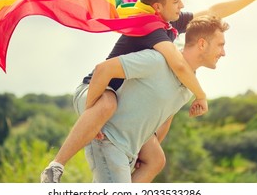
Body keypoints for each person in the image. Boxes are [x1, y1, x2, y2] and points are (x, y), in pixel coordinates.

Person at [41, 0, 257, 183]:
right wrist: (93, 118)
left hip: (112, 101)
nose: (182, 5)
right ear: (157, 6)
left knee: (156, 159)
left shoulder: (168, 21)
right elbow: (178, 65)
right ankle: (56, 166)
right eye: (176, 1)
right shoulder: (152, 29)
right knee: (107, 104)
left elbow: (213, 10)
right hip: (94, 90)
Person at [54, 15, 229, 182]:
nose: (223, 53)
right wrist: (91, 114)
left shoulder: (189, 87)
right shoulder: (158, 60)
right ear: (202, 43)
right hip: (108, 141)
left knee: (157, 160)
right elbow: (103, 69)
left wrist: (144, 153)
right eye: (220, 45)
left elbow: (164, 119)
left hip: (127, 153)